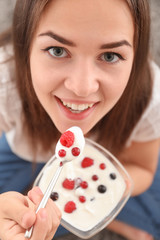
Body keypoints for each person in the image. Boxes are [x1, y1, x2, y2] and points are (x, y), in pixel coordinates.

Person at [0, 0, 160, 239]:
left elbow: (142, 167)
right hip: (24, 156)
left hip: (109, 158)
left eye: (109, 55)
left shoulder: (149, 97)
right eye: (57, 50)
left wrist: (93, 191)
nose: (82, 88)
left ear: (135, 58)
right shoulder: (5, 83)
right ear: (26, 46)